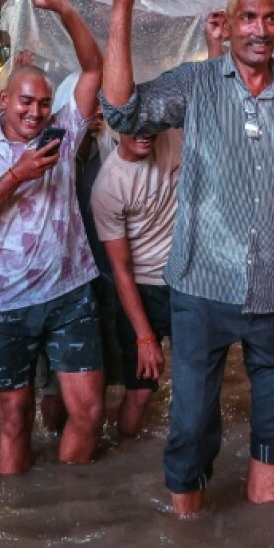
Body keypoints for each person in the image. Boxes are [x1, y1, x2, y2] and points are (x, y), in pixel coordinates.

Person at [97, 0, 274, 516]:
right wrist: (121, 6)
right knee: (190, 426)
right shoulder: (196, 85)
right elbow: (123, 111)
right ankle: (188, 542)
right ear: (230, 22)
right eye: (248, 18)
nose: (261, 29)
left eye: (270, 19)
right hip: (200, 289)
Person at [0, 0, 106, 476]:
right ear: (4, 98)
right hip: (6, 303)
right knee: (14, 420)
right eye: (25, 102)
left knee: (89, 411)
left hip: (70, 294)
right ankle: (14, 517)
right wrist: (16, 175)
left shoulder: (62, 134)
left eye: (42, 103)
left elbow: (93, 69)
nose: (35, 112)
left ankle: (69, 510)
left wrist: (65, 8)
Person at [90, 123, 183, 436]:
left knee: (195, 386)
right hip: (141, 290)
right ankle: (125, 458)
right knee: (141, 391)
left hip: (186, 283)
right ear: (116, 128)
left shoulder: (172, 136)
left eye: (151, 125)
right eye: (135, 127)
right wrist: (145, 338)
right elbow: (122, 270)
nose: (145, 133)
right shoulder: (108, 186)